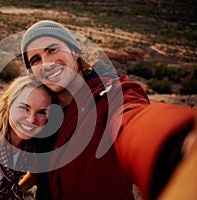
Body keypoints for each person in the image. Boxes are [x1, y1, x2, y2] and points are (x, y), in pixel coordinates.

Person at [20, 20, 197, 200]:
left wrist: (176, 143)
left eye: (52, 49)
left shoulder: (113, 95)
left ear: (75, 52)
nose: (47, 63)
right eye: (36, 60)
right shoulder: (42, 111)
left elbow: (131, 120)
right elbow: (38, 170)